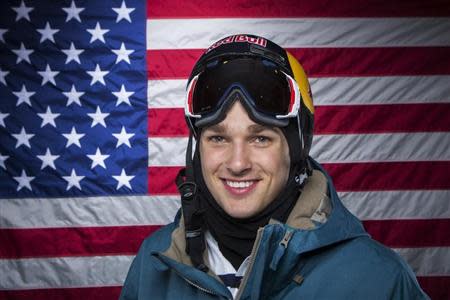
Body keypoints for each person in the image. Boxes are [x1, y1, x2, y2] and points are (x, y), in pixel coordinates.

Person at [120, 34, 429, 299]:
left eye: (260, 139)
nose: (237, 163)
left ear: (297, 148)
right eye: (217, 138)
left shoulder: (378, 280)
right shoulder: (152, 265)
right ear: (196, 149)